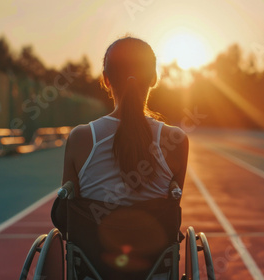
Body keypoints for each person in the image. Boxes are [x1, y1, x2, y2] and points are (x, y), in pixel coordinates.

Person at [60, 36, 189, 279]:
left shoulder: (80, 138)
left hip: (93, 269)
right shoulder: (177, 140)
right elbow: (173, 207)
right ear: (153, 79)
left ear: (106, 80)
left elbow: (68, 214)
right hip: (154, 269)